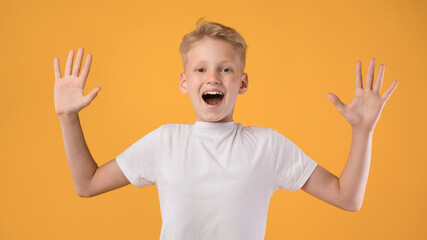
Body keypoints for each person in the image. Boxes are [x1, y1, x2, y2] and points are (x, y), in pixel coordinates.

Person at [53, 18, 398, 239]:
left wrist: (363, 132)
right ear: (184, 83)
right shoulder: (164, 142)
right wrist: (68, 117)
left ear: (242, 82)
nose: (213, 77)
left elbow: (347, 198)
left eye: (225, 69)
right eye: (200, 70)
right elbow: (87, 184)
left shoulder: (268, 146)